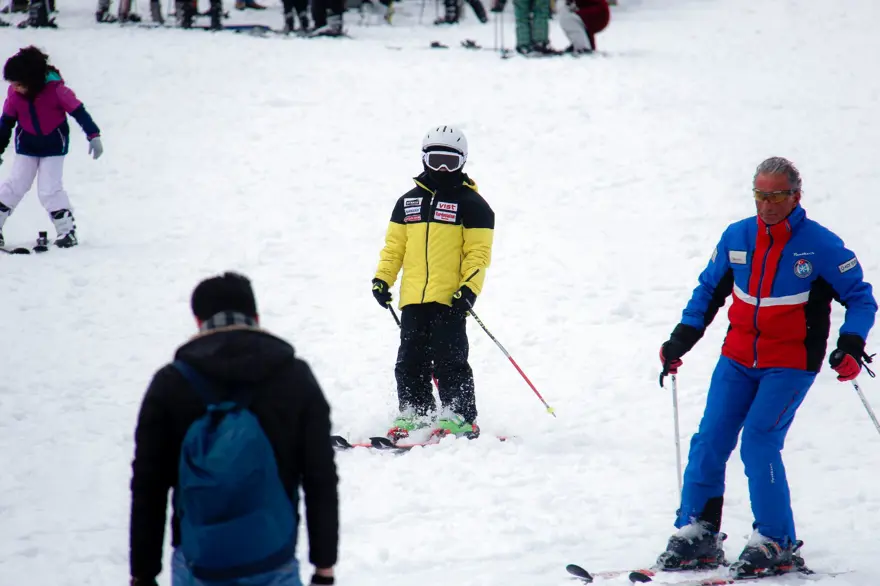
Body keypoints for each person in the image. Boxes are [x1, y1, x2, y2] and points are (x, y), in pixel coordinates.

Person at [656, 157, 877, 577]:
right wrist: (680, 338)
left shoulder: (822, 246)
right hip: (738, 357)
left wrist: (851, 344)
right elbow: (708, 290)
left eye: (776, 195)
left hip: (791, 362)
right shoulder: (737, 236)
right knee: (709, 440)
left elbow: (861, 299)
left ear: (795, 196)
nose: (767, 204)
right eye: (760, 195)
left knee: (759, 442)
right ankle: (699, 533)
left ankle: (777, 540)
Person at [129, 272, 339, 586]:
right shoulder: (295, 377)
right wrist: (324, 567)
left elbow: (149, 485)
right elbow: (320, 478)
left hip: (197, 562)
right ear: (255, 316)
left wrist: (144, 573)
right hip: (272, 557)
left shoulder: (170, 384)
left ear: (198, 320)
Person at [372, 126, 495, 440]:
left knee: (450, 359)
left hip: (450, 297)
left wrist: (469, 289)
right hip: (413, 297)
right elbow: (394, 248)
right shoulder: (407, 203)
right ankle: (416, 413)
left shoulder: (473, 205)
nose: (442, 168)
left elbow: (477, 254)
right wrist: (382, 280)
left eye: (449, 162)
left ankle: (459, 416)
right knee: (409, 359)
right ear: (424, 159)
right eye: (436, 159)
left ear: (462, 162)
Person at [0, 46, 102, 249]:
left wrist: (93, 135)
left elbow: (79, 112)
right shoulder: (14, 95)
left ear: (32, 80)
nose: (15, 88)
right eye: (12, 84)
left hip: (54, 146)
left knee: (49, 189)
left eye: (19, 84)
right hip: (27, 145)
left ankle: (66, 231)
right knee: (15, 184)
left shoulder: (56, 90)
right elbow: (6, 122)